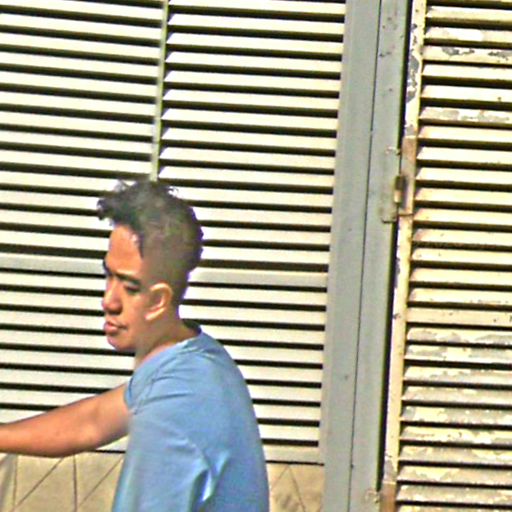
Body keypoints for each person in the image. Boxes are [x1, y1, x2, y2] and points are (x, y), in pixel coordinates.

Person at [0, 180, 269, 511]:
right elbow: (92, 422)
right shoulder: (191, 360)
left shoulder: (174, 410)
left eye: (129, 287)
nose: (108, 301)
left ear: (159, 301)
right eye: (109, 275)